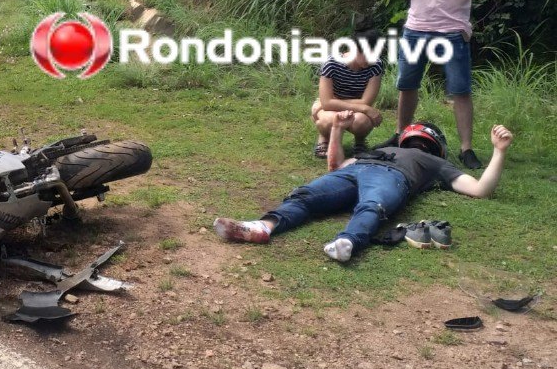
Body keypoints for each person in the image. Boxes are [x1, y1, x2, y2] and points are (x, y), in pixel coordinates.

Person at [213, 110, 513, 264]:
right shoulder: (380, 149)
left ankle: (349, 243)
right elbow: (335, 167)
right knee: (305, 196)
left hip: (392, 178)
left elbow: (479, 189)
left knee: (372, 207)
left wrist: (499, 151)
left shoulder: (433, 163)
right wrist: (338, 131)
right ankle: (262, 226)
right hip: (357, 168)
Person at [386, 0, 491, 169]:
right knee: (407, 85)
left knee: (460, 90)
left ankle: (466, 148)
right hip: (416, 27)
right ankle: (401, 135)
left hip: (453, 30)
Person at [311, 29, 384, 158]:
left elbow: (366, 101)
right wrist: (364, 108)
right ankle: (325, 137)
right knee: (328, 120)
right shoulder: (331, 64)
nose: (370, 60)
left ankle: (359, 141)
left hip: (348, 107)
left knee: (361, 122)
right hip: (334, 108)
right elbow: (326, 103)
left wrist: (337, 103)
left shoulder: (376, 66)